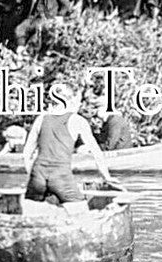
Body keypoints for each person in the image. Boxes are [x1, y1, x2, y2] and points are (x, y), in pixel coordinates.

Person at [23, 82, 118, 213]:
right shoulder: (77, 120)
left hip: (37, 176)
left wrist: (32, 175)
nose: (79, 105)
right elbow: (97, 153)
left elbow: (27, 153)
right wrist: (106, 177)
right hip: (60, 177)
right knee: (83, 216)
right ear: (71, 100)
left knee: (30, 215)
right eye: (78, 100)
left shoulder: (41, 118)